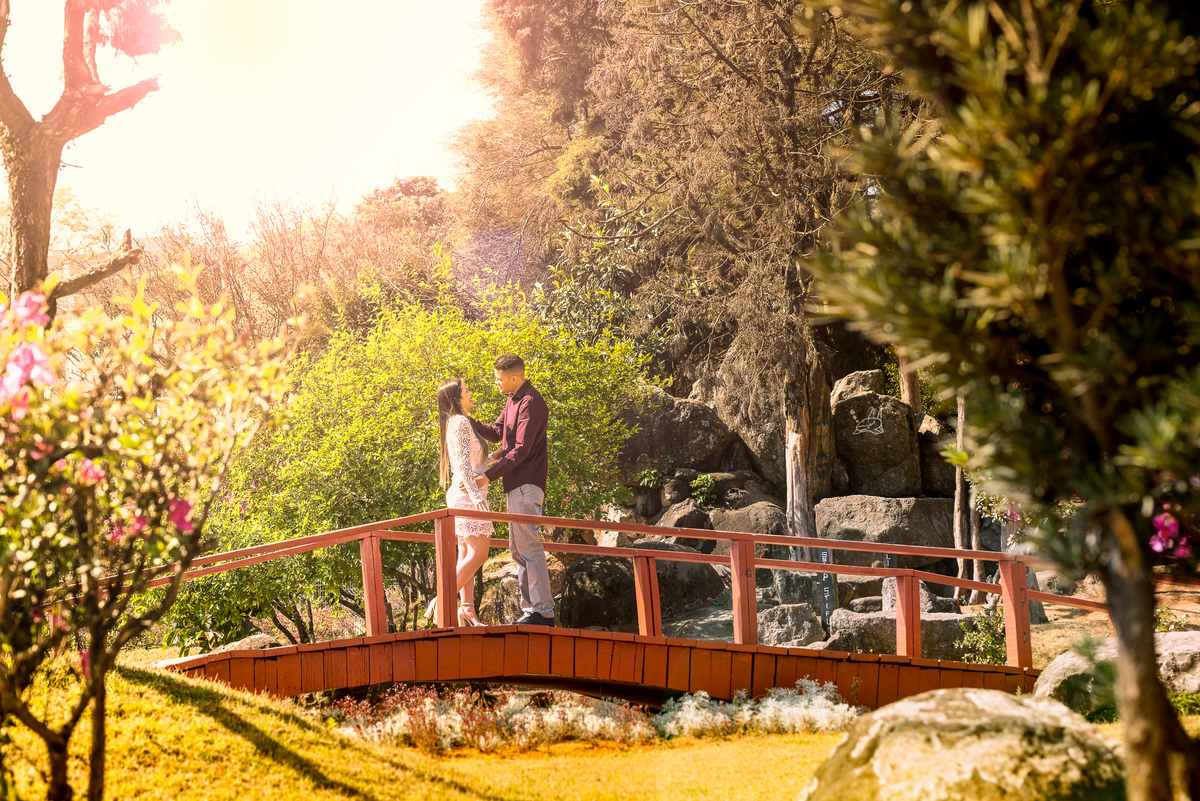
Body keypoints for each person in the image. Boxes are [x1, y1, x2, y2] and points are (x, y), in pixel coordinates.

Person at [464, 353, 554, 626]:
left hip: (527, 482)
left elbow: (521, 450)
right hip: (516, 485)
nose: (497, 383)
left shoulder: (531, 402)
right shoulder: (512, 399)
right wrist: (465, 418)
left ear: (514, 378)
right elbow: (496, 433)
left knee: (528, 546)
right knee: (518, 548)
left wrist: (488, 476)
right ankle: (532, 610)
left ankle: (543, 612)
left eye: (499, 379)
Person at [430, 377, 492, 627]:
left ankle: (466, 609)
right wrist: (475, 496)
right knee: (479, 554)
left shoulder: (460, 422)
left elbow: (472, 461)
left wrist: (494, 457)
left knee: (466, 554)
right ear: (457, 398)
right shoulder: (459, 422)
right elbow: (464, 465)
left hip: (469, 494)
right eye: (466, 390)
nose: (471, 393)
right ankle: (441, 600)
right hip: (467, 496)